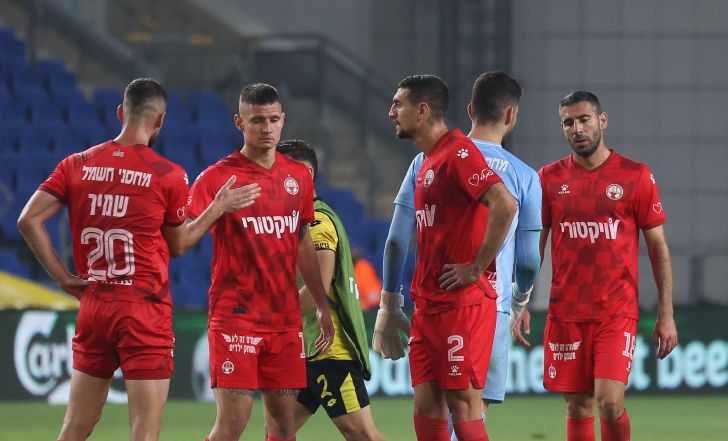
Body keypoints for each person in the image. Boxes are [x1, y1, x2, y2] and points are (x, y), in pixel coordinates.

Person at [16, 78, 260, 441]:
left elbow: (28, 220)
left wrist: (63, 277)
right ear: (160, 120)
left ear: (121, 113)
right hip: (143, 308)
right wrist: (218, 207)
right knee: (144, 427)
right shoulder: (167, 174)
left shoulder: (77, 164)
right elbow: (179, 245)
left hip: (94, 304)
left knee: (76, 425)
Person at [375, 71, 543, 439]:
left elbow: (504, 204)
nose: (391, 112)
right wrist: (391, 306)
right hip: (432, 306)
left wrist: (476, 267)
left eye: (397, 104)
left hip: (464, 307)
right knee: (427, 409)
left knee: (464, 411)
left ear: (422, 110)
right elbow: (528, 261)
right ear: (510, 115)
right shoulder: (427, 160)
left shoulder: (459, 152)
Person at [186, 83, 334, 441]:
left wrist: (320, 304)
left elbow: (302, 243)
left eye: (273, 120)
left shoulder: (298, 177)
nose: (267, 128)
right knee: (232, 424)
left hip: (283, 322)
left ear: (283, 120)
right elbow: (181, 240)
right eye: (257, 121)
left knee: (283, 425)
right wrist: (217, 208)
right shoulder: (218, 178)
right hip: (236, 317)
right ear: (239, 123)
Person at [529, 90, 678, 441]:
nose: (577, 129)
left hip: (615, 311)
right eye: (568, 123)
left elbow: (658, 248)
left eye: (584, 119)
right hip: (566, 313)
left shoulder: (634, 176)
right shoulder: (548, 179)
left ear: (602, 121)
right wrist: (522, 300)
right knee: (577, 407)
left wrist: (666, 313)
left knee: (609, 402)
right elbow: (534, 246)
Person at [273, 139, 385, 441]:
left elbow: (317, 289)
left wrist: (274, 322)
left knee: (363, 434)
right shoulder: (297, 221)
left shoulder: (318, 223)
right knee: (278, 431)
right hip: (306, 349)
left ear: (305, 175)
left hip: (329, 351)